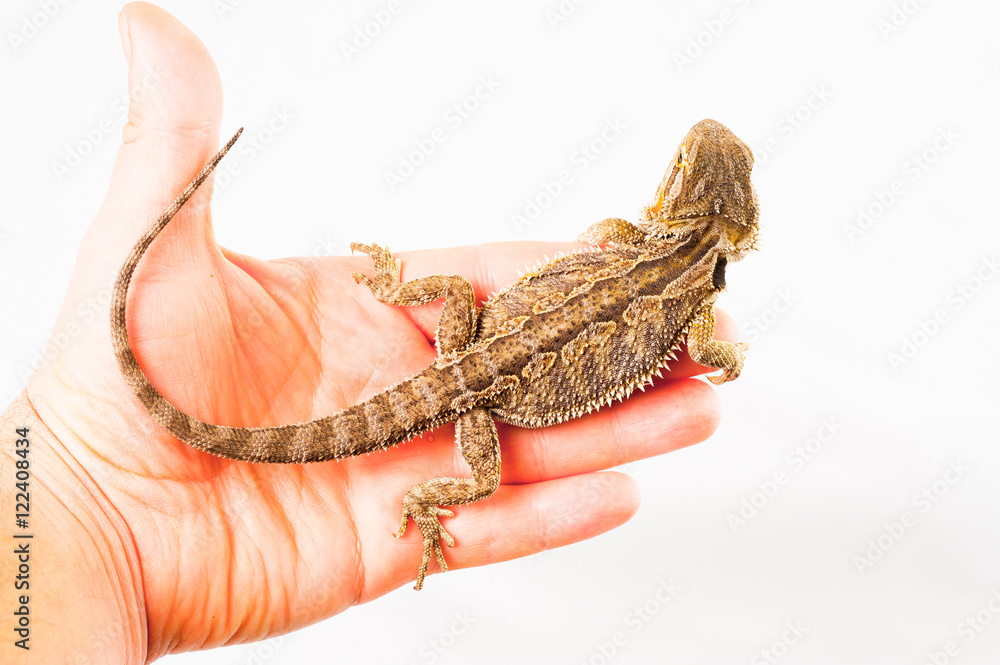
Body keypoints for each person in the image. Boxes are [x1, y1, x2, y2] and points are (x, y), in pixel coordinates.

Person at [0, 3, 737, 662]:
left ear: (674, 192)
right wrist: (71, 479)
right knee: (479, 477)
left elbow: (604, 233)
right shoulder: (691, 302)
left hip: (471, 353)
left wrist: (75, 499)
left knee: (459, 330)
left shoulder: (634, 240)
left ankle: (399, 329)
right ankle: (423, 500)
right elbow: (708, 349)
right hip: (480, 379)